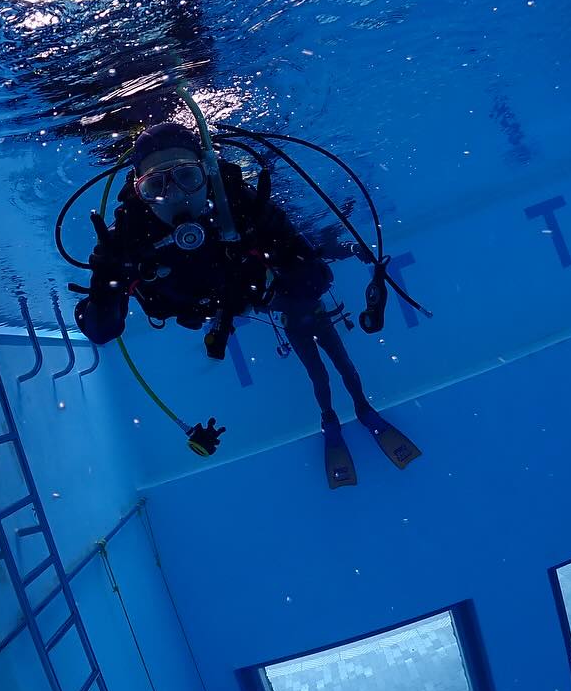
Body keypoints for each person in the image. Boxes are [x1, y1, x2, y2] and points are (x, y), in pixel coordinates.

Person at [73, 122, 419, 487]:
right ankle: (336, 414)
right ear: (139, 192)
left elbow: (315, 278)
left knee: (328, 354)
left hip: (256, 296)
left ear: (207, 173)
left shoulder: (243, 207)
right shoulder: (126, 241)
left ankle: (352, 409)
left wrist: (280, 253)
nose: (175, 196)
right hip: (208, 304)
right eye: (156, 186)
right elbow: (101, 330)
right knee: (320, 364)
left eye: (187, 177)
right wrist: (107, 279)